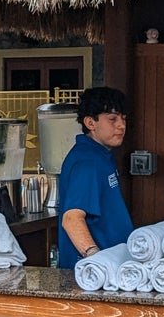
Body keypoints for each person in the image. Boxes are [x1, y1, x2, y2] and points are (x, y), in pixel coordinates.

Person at [56, 86, 135, 269]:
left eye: (123, 118)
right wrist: (95, 259)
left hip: (113, 266)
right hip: (94, 274)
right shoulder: (87, 161)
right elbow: (71, 219)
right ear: (90, 123)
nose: (121, 125)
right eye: (113, 119)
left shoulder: (101, 155)